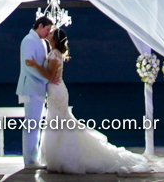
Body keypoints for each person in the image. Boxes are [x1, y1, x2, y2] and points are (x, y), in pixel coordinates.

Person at [26, 28, 151, 175]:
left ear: (55, 39)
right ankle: (57, 156)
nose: (49, 34)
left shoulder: (54, 54)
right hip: (56, 92)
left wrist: (35, 65)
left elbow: (50, 76)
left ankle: (63, 158)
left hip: (57, 93)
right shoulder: (54, 53)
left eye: (52, 33)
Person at [17, 16, 54, 167]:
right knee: (31, 124)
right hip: (31, 88)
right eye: (47, 29)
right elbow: (29, 65)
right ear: (40, 26)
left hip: (38, 89)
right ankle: (29, 160)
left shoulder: (41, 42)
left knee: (35, 124)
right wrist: (46, 79)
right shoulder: (28, 40)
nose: (48, 33)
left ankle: (34, 157)